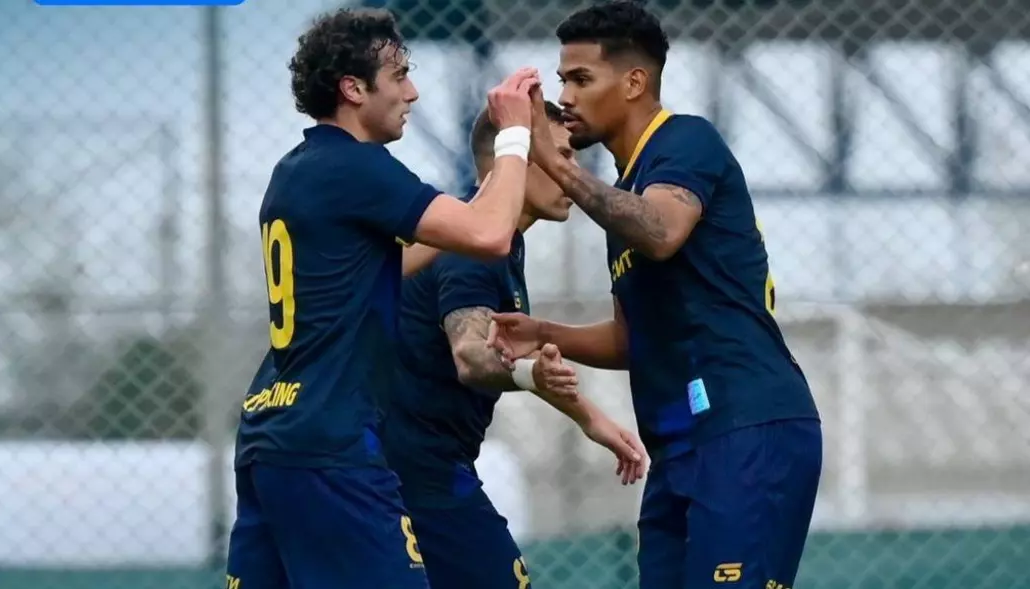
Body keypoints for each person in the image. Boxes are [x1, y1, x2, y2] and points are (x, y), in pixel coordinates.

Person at [486, 2, 822, 588]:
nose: (566, 97)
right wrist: (544, 334)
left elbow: (663, 231)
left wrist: (549, 159)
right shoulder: (622, 195)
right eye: (562, 80)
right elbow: (631, 337)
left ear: (634, 82)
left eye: (581, 79)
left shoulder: (685, 141)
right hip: (679, 448)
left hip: (745, 426)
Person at [225, 8, 544, 589]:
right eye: (399, 75)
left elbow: (396, 261)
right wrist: (516, 137)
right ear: (353, 88)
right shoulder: (356, 166)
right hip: (333, 444)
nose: (412, 92)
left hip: (272, 433)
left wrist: (478, 202)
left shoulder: (297, 169)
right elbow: (489, 235)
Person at [382, 101, 648, 589]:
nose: (573, 171)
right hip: (413, 469)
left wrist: (589, 418)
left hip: (416, 463)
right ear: (515, 158)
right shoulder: (473, 246)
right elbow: (471, 353)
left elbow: (504, 346)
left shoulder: (493, 240)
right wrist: (530, 374)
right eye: (561, 154)